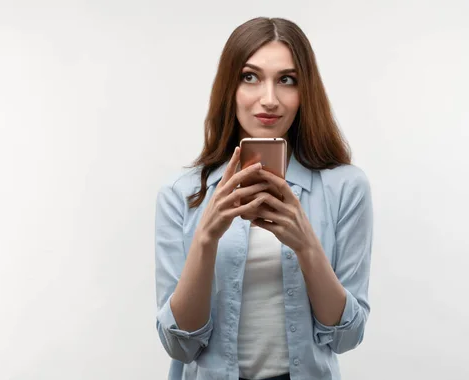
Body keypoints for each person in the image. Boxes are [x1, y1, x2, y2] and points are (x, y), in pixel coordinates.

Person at [154, 16, 373, 380]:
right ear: (230, 87)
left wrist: (306, 246)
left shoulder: (346, 187)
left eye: (287, 80)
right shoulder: (182, 193)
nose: (269, 100)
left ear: (305, 92)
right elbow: (180, 346)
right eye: (250, 77)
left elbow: (346, 335)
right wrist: (206, 238)